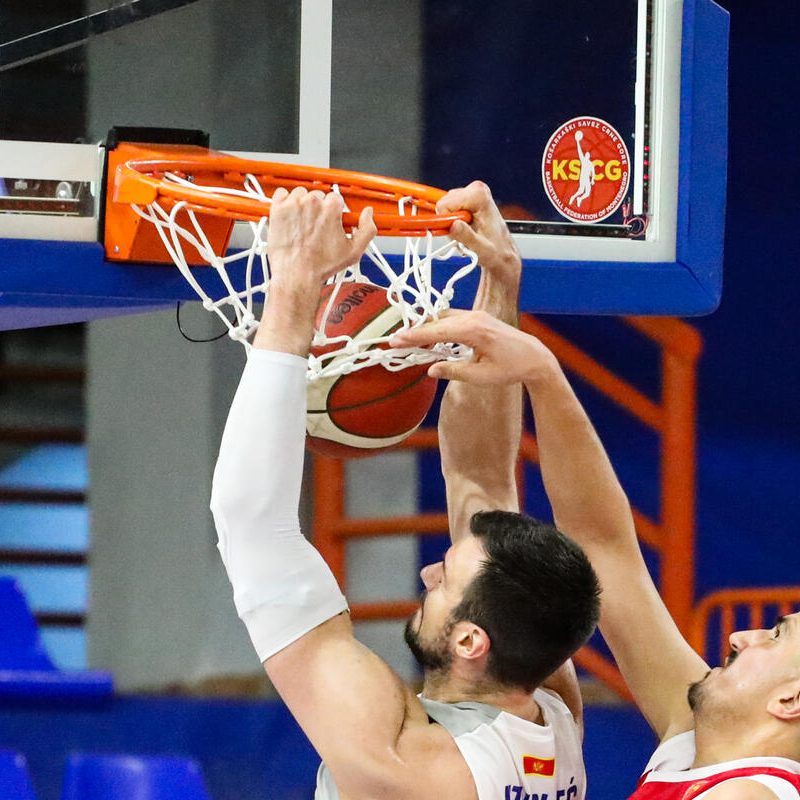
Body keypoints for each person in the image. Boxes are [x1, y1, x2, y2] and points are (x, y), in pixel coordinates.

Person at [390, 310, 800, 800]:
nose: (740, 637)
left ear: (793, 699)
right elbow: (603, 548)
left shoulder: (749, 794)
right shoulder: (698, 741)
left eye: (775, 636)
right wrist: (544, 377)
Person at [209, 182, 603, 800]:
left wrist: (293, 289)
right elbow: (482, 479)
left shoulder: (412, 766)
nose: (427, 574)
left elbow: (252, 525)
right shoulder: (549, 718)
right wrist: (499, 286)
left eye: (445, 582)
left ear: (471, 642)